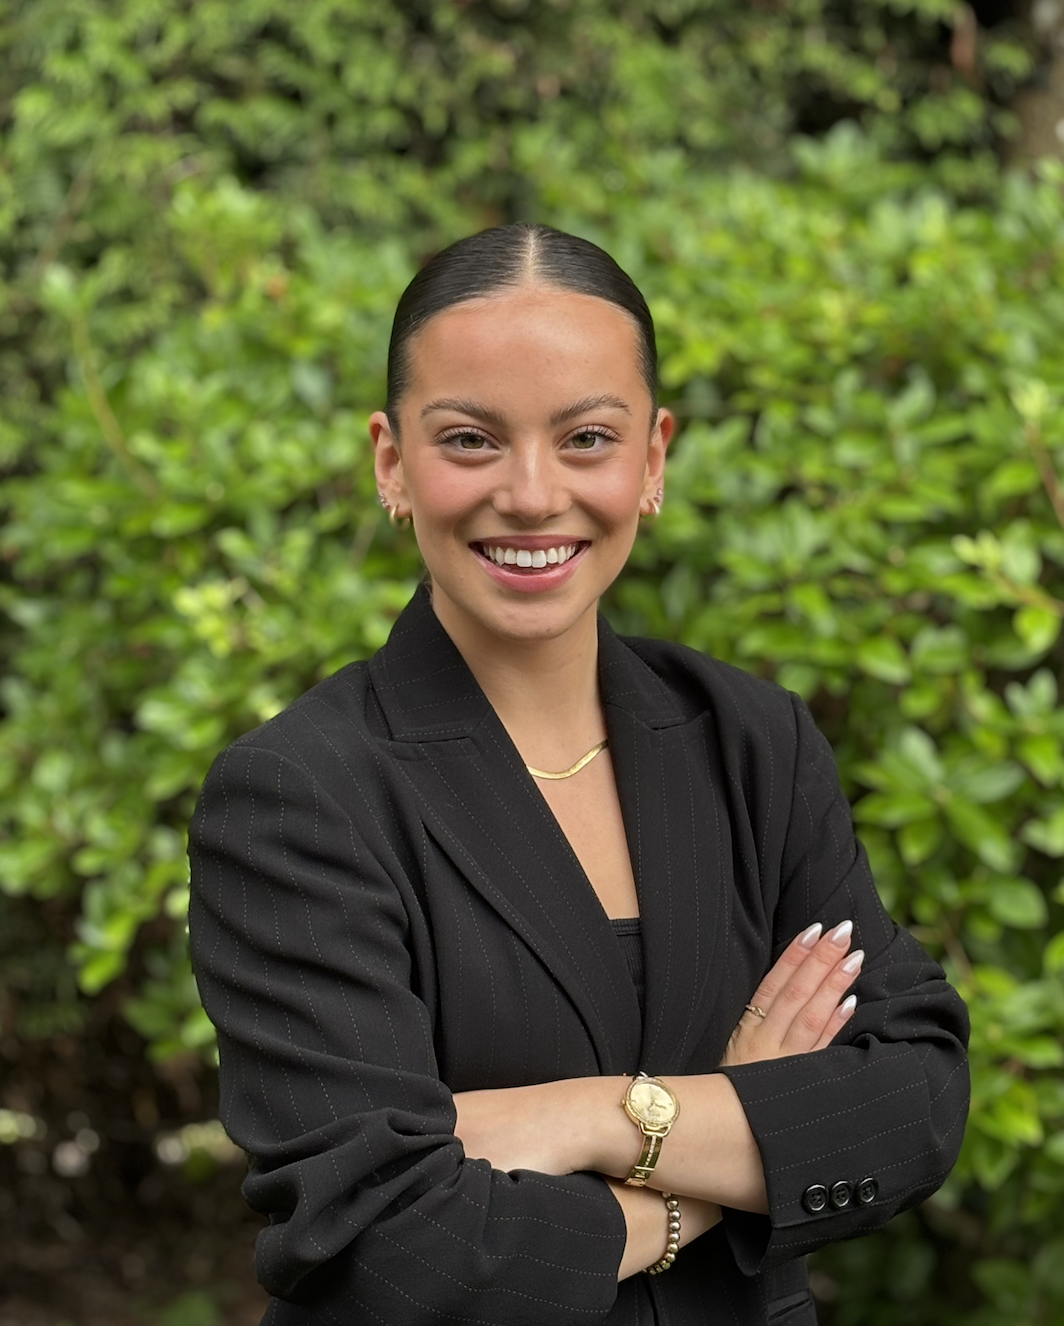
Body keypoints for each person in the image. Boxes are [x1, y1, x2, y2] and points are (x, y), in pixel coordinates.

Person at [188, 224, 970, 1326]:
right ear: (390, 461)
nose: (530, 494)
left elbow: (912, 1099)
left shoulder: (752, 741)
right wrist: (724, 1144)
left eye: (586, 438)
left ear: (651, 459)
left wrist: (596, 1116)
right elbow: (390, 1247)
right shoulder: (297, 796)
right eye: (469, 439)